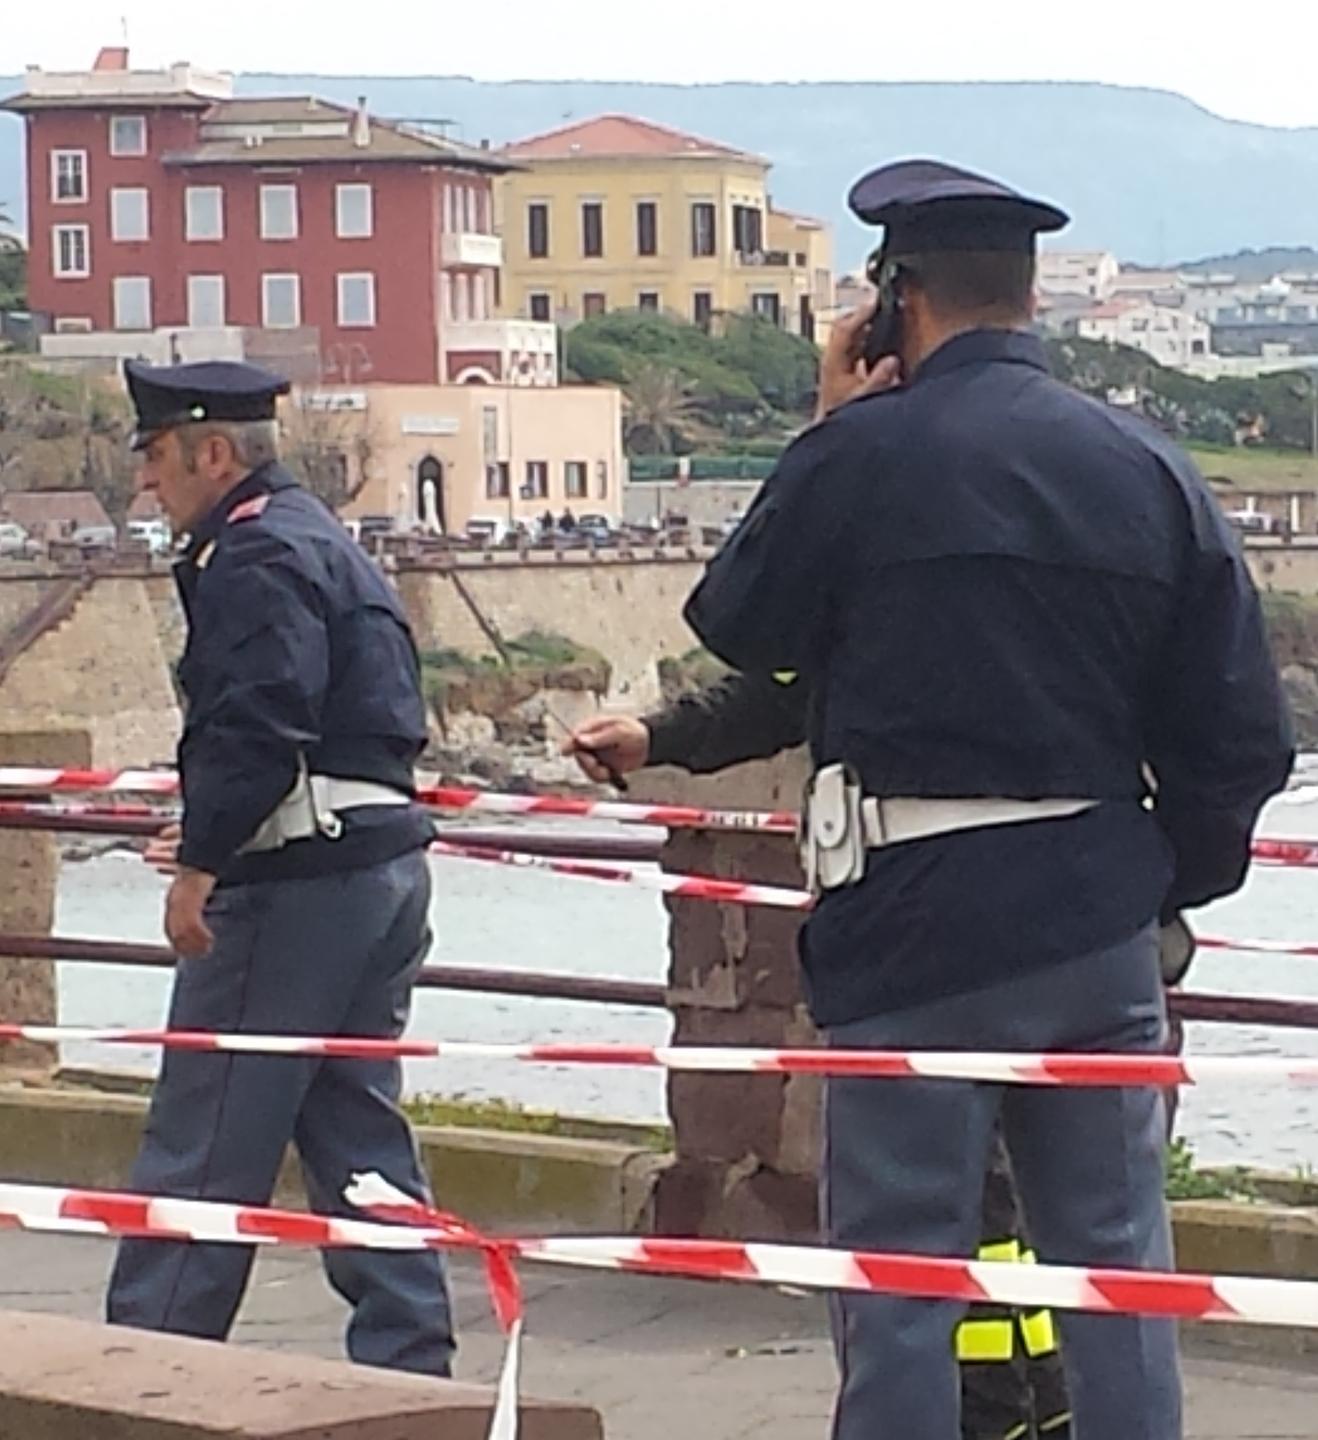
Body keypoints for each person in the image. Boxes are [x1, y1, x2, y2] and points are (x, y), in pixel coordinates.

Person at [578, 161, 1294, 1440]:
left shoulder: (859, 458)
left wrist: (824, 422)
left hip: (911, 921)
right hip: (1093, 923)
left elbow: (738, 618)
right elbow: (1242, 735)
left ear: (894, 301)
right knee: (1116, 1271)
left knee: (901, 1279)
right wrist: (1151, 878)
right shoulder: (1149, 466)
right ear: (1027, 300)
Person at [568, 672, 1071, 1440]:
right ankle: (1040, 1401)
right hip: (1074, 906)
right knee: (1037, 1212)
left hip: (919, 914)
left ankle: (989, 1409)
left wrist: (662, 735)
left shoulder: (883, 580)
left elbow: (775, 659)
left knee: (920, 1218)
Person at [105, 359, 455, 1377]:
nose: (148, 486)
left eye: (159, 459)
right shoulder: (325, 544)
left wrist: (201, 863)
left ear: (214, 454)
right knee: (355, 1131)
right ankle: (408, 1364)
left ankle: (141, 1377)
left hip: (296, 881)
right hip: (378, 865)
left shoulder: (252, 557)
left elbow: (258, 722)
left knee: (206, 1137)